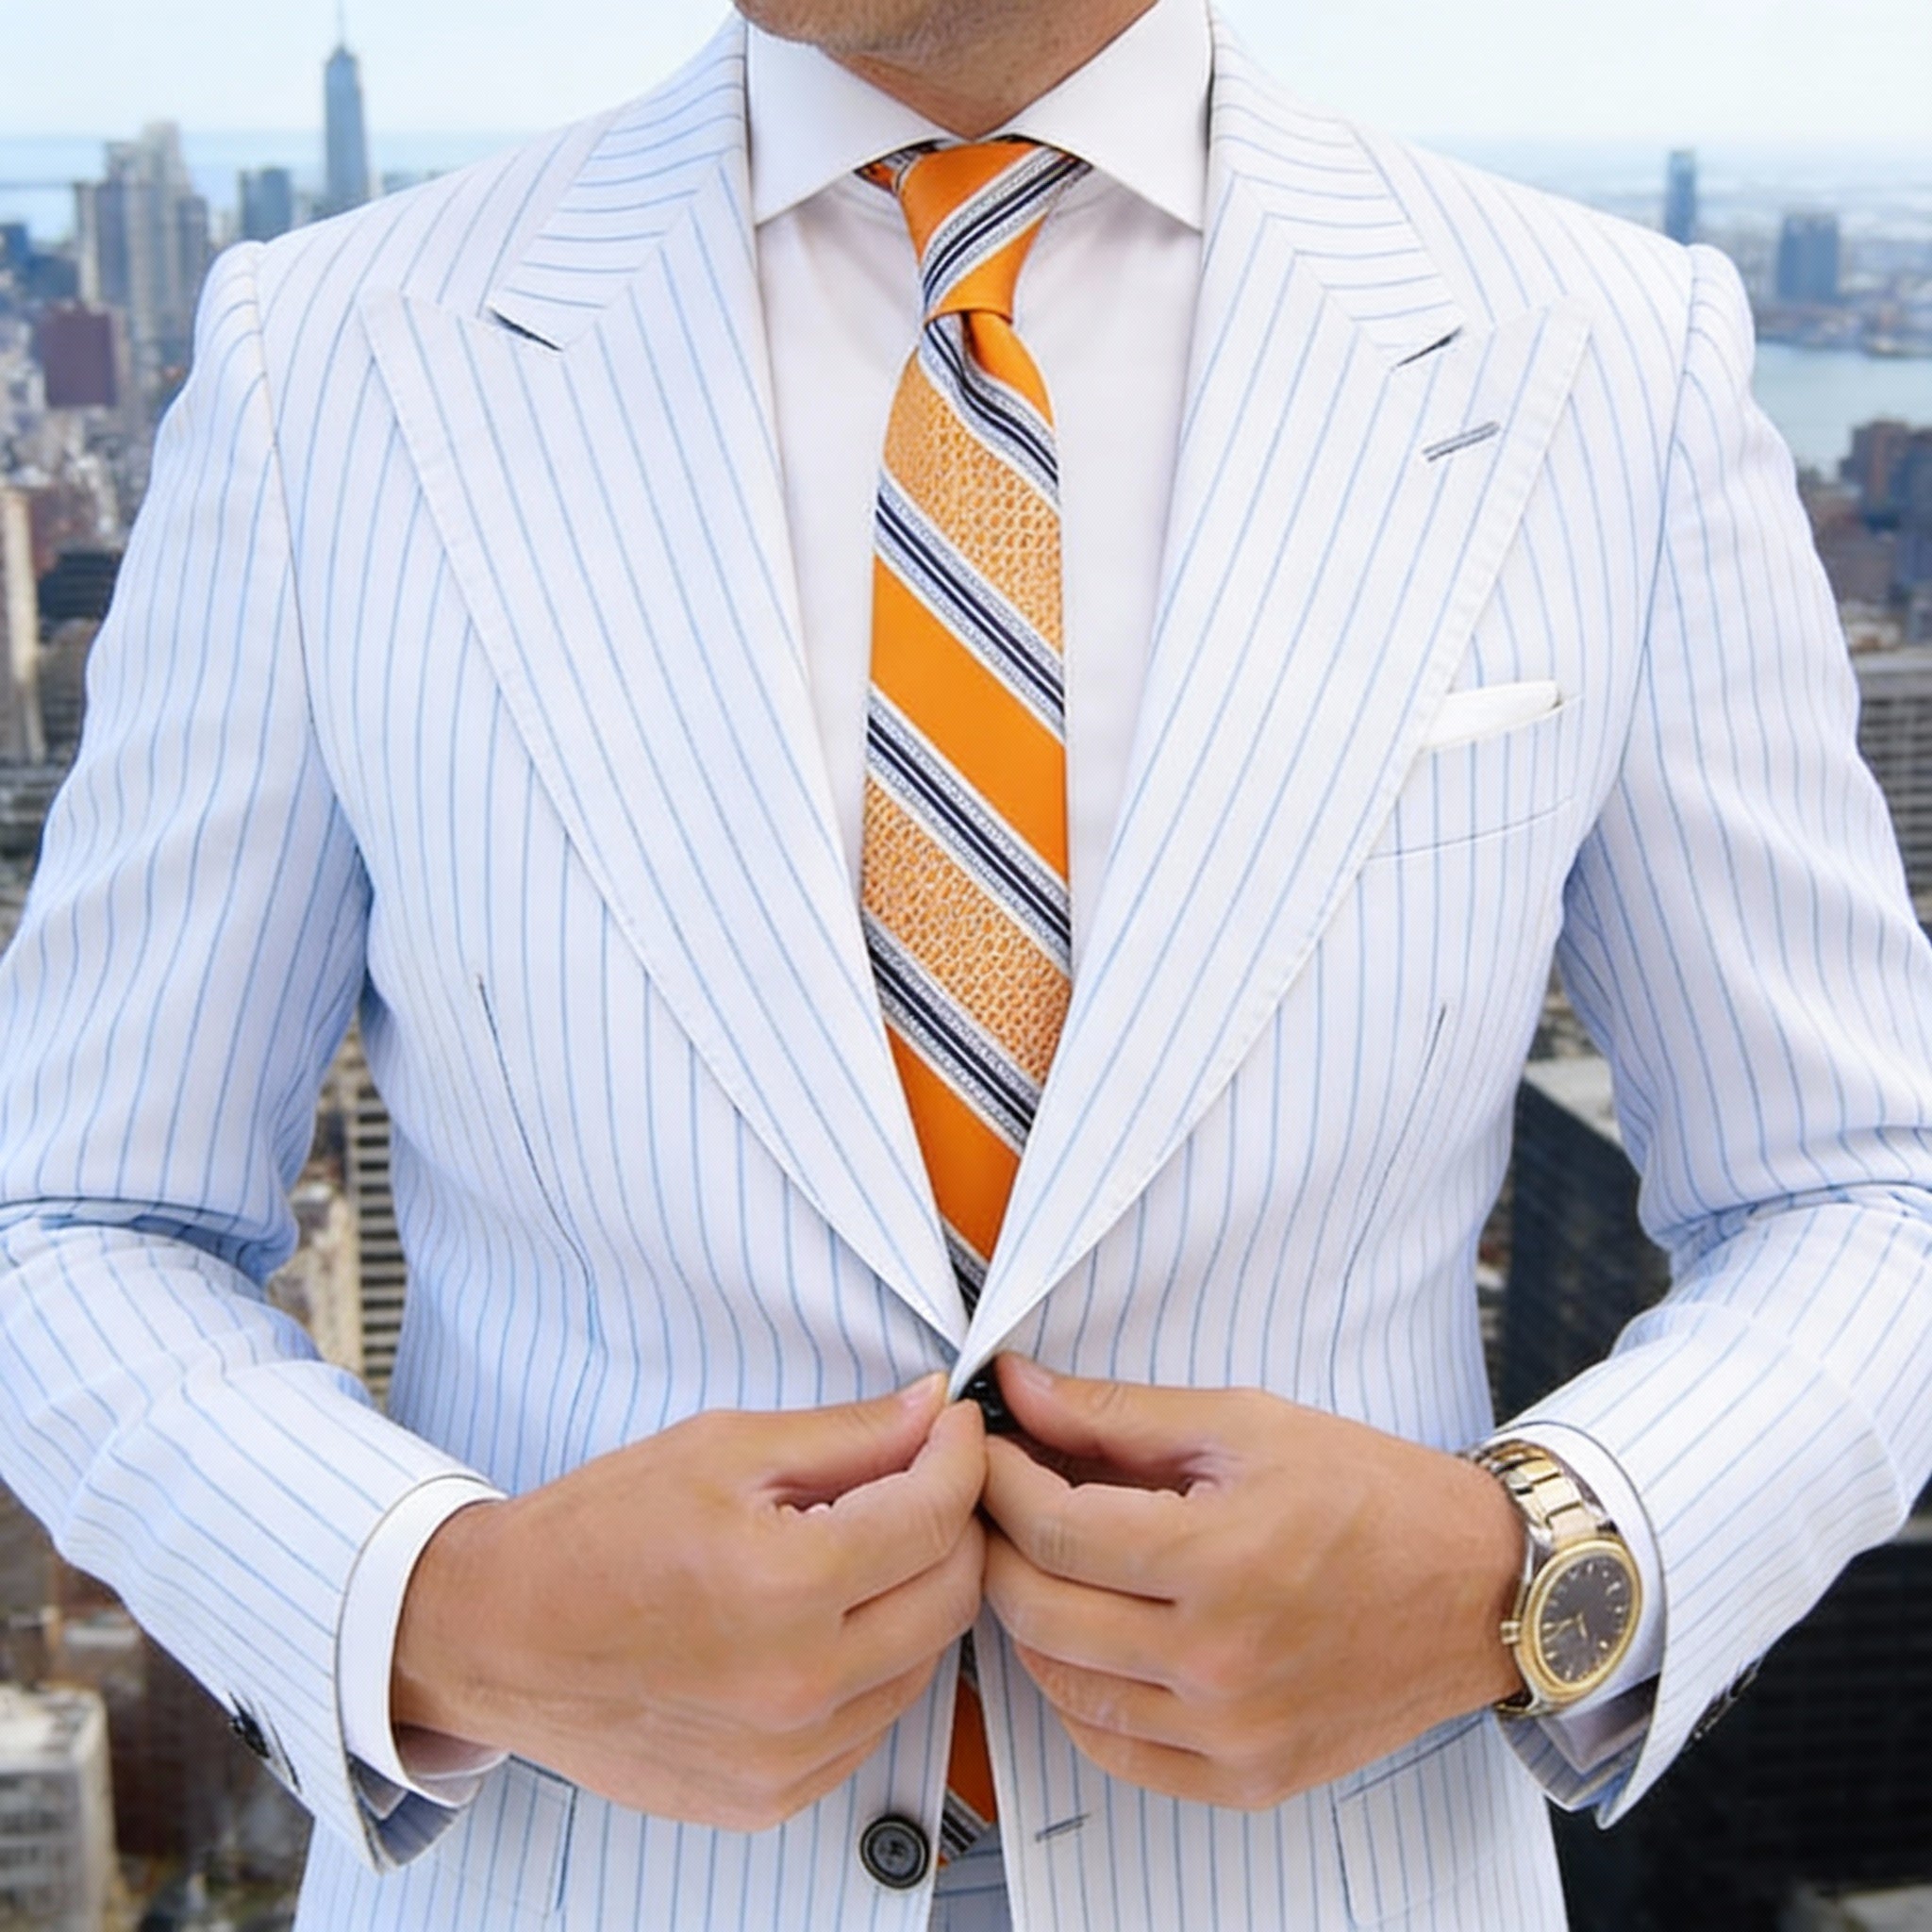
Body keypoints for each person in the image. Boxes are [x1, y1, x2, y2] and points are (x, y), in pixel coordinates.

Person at [1, 0, 1928, 1925]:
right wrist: (440, 1608)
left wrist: (1527, 1572)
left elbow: (1865, 1188)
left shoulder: (1609, 358)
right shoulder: (324, 364)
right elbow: (69, 1217)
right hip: (566, 1870)